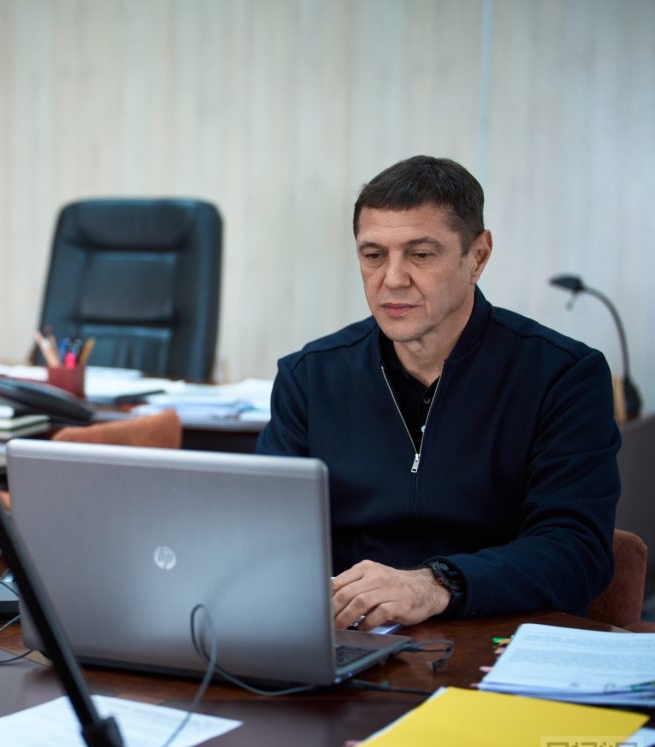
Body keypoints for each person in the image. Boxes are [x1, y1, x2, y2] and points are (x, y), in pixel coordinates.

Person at [256, 155, 621, 630]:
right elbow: (265, 537)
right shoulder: (308, 376)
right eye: (373, 255)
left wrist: (436, 584)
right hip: (351, 637)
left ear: (478, 257)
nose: (393, 278)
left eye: (421, 254)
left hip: (497, 635)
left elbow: (577, 551)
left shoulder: (564, 376)